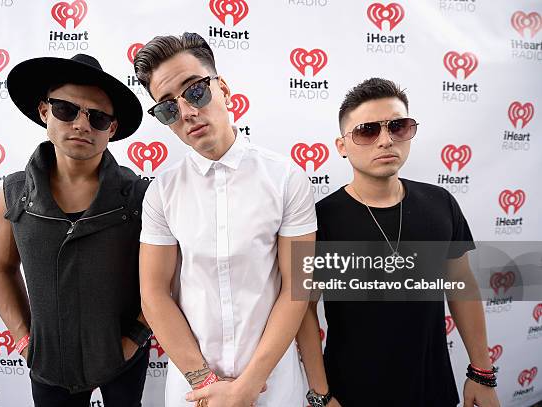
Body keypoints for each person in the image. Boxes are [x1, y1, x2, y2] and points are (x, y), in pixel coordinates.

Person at [133, 33, 316, 406]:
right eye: (167, 108)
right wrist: (205, 384)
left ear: (224, 89)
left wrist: (248, 385)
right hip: (193, 391)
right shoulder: (162, 192)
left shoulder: (286, 178)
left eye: (195, 91)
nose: (186, 112)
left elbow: (297, 288)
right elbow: (153, 295)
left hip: (272, 388)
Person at [296, 78, 500, 407]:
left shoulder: (440, 203)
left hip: (433, 388)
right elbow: (303, 309)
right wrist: (320, 394)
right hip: (350, 393)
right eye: (367, 131)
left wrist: (481, 372)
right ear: (342, 145)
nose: (385, 140)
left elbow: (462, 286)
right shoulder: (320, 221)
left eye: (398, 127)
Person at [0, 54, 152, 407]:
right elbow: (1, 270)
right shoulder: (14, 193)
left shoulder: (139, 196)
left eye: (98, 117)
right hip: (48, 364)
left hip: (124, 360)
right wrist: (23, 340)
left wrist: (133, 340)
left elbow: (165, 279)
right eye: (66, 109)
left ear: (112, 128)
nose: (81, 124)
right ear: (44, 111)